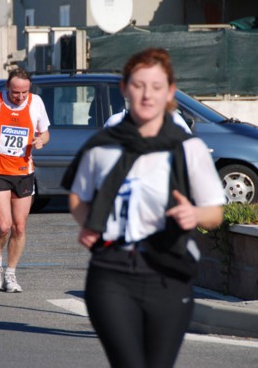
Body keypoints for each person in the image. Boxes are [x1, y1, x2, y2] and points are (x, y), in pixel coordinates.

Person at [61, 48, 225, 368]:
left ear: (170, 92)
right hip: (111, 272)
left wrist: (193, 214)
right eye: (138, 85)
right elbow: (78, 197)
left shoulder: (187, 148)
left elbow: (215, 213)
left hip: (168, 271)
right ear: (124, 89)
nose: (147, 95)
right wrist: (88, 223)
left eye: (156, 86)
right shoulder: (103, 144)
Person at [0, 67, 50, 293]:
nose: (20, 97)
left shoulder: (36, 103)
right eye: (16, 93)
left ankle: (11, 273)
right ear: (8, 88)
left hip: (24, 171)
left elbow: (45, 132)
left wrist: (41, 140)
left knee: (20, 227)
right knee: (3, 226)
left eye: (24, 92)